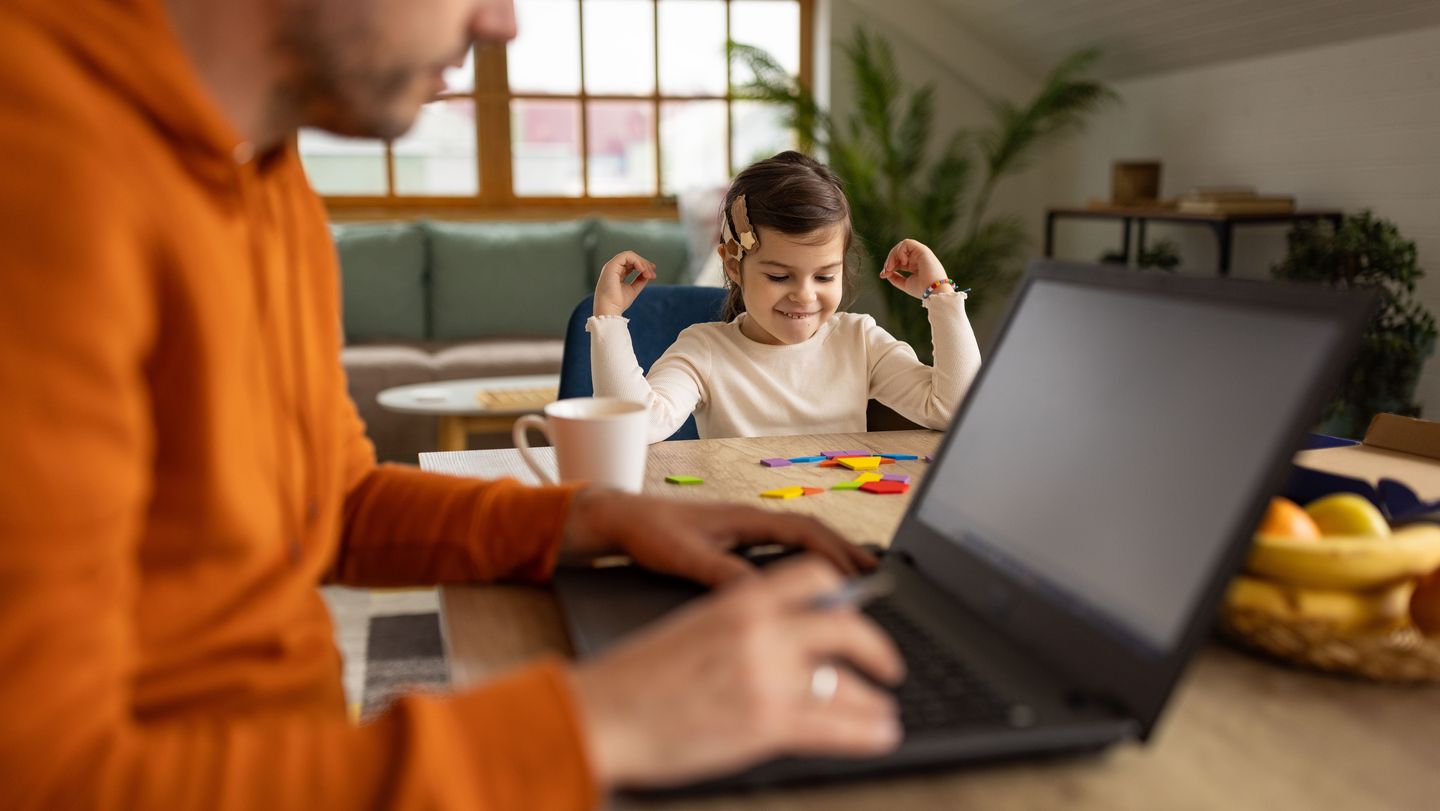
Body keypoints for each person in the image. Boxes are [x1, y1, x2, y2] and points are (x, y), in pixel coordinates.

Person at [0, 0, 907, 807]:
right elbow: (46, 778)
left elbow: (335, 500)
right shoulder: (40, 160)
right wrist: (592, 723)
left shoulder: (263, 175)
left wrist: (592, 520)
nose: (504, 24)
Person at [589, 151, 984, 444]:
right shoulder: (704, 351)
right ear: (733, 266)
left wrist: (941, 295)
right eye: (779, 275)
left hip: (839, 525)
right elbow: (633, 426)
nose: (805, 295)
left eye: (825, 275)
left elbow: (954, 409)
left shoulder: (860, 341)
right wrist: (607, 316)